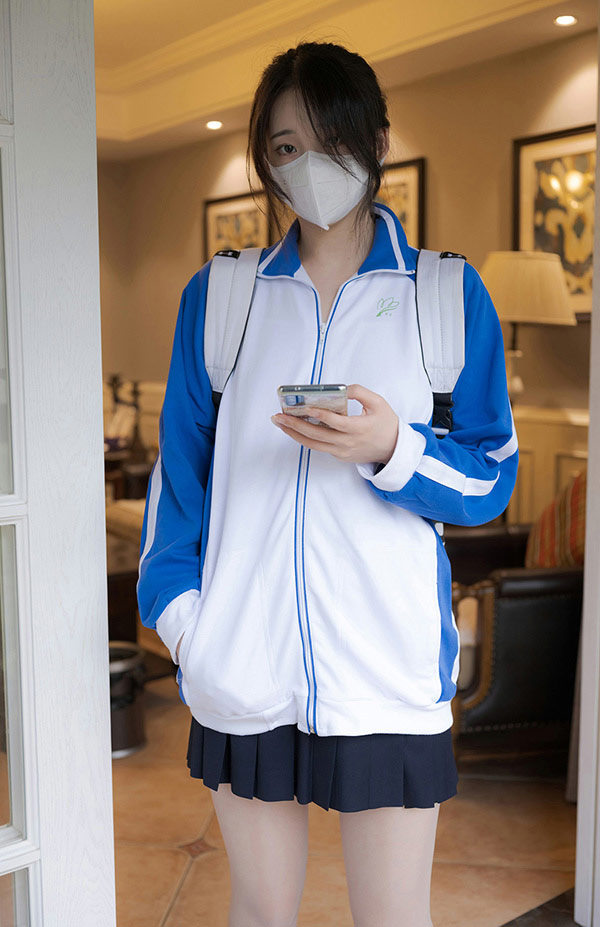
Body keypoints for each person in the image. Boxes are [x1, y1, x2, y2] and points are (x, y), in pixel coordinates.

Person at [136, 40, 519, 927]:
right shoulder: (221, 298)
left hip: (385, 670)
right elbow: (177, 487)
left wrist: (394, 447)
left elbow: (491, 479)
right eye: (284, 147)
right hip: (243, 663)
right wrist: (193, 630)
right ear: (265, 160)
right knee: (260, 912)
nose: (309, 164)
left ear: (377, 138)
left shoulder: (445, 294)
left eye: (331, 138)